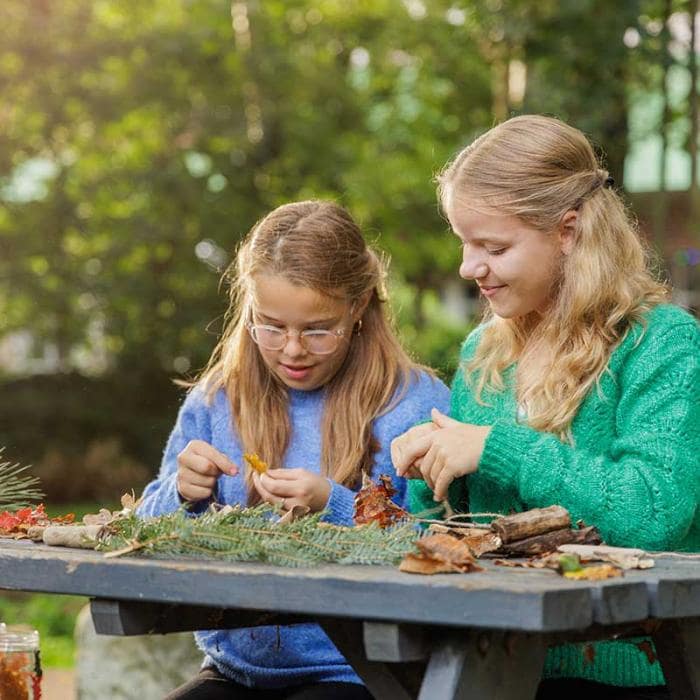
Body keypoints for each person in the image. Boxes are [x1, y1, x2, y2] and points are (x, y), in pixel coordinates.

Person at [391, 115, 699, 700]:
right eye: (464, 242)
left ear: (568, 231)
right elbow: (468, 535)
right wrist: (427, 477)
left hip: (631, 672)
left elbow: (654, 511)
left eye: (493, 246)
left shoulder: (661, 343)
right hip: (499, 666)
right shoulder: (485, 351)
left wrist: (494, 447)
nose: (467, 266)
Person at [138, 200, 449, 700]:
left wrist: (337, 505)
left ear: (360, 307)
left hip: (362, 674)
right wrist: (179, 493)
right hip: (236, 670)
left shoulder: (414, 403)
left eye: (318, 330)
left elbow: (441, 545)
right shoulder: (218, 399)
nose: (292, 350)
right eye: (271, 325)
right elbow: (142, 530)